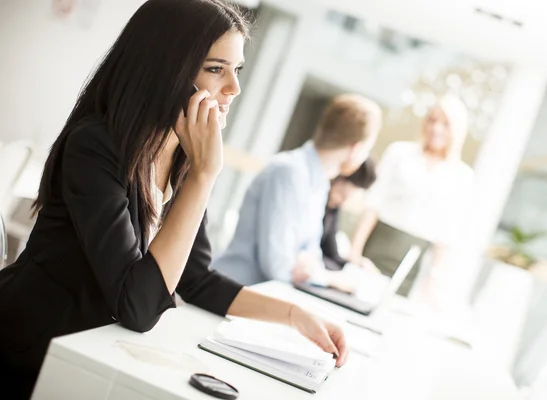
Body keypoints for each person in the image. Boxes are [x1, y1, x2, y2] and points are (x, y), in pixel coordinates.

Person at [0, 1, 347, 397]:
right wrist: (205, 176)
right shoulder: (96, 146)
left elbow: (195, 279)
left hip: (91, 348)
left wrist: (293, 315)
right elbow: (139, 306)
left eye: (237, 70)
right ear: (167, 68)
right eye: (216, 69)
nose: (234, 88)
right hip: (30, 350)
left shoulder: (181, 151)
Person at [213, 94, 382, 291]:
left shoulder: (320, 183)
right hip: (230, 293)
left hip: (265, 296)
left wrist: (311, 268)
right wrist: (328, 278)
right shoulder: (289, 172)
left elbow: (311, 257)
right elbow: (277, 266)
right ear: (356, 149)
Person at [349, 95, 474, 297]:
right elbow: (373, 204)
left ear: (456, 131)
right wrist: (354, 252)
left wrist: (432, 281)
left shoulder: (462, 176)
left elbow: (447, 233)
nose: (436, 128)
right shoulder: (399, 153)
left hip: (414, 262)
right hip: (378, 246)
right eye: (432, 120)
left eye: (445, 123)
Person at [321, 158, 377, 271]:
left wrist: (356, 265)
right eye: (341, 194)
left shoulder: (333, 210)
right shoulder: (316, 203)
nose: (341, 202)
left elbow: (332, 254)